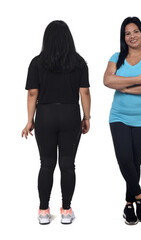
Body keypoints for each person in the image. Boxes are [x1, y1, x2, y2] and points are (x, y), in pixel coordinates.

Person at [22, 20, 91, 225]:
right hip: (70, 114)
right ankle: (66, 210)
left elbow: (32, 93)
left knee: (47, 164)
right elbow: (85, 92)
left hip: (45, 115)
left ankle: (44, 211)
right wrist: (86, 117)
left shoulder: (37, 62)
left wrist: (29, 121)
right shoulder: (79, 62)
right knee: (68, 164)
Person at [103, 16, 141, 225]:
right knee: (124, 159)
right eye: (127, 33)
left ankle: (129, 203)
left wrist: (124, 87)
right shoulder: (116, 57)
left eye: (135, 31)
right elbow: (107, 80)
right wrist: (137, 80)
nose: (132, 36)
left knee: (135, 162)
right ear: (123, 37)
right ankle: (139, 196)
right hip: (118, 116)